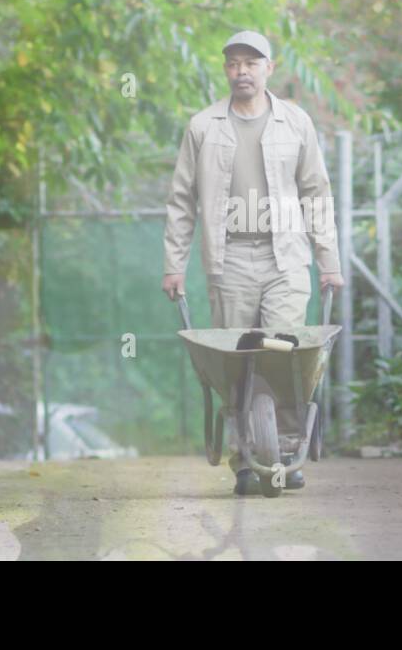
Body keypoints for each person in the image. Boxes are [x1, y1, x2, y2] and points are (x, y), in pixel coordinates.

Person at [162, 30, 343, 495]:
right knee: (238, 362)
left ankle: (285, 450)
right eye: (233, 64)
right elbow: (181, 200)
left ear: (269, 68)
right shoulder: (203, 127)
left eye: (250, 62)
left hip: (285, 257)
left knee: (286, 354)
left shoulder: (296, 123)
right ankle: (244, 458)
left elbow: (316, 195)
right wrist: (174, 264)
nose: (241, 71)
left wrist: (329, 261)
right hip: (230, 260)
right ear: (226, 71)